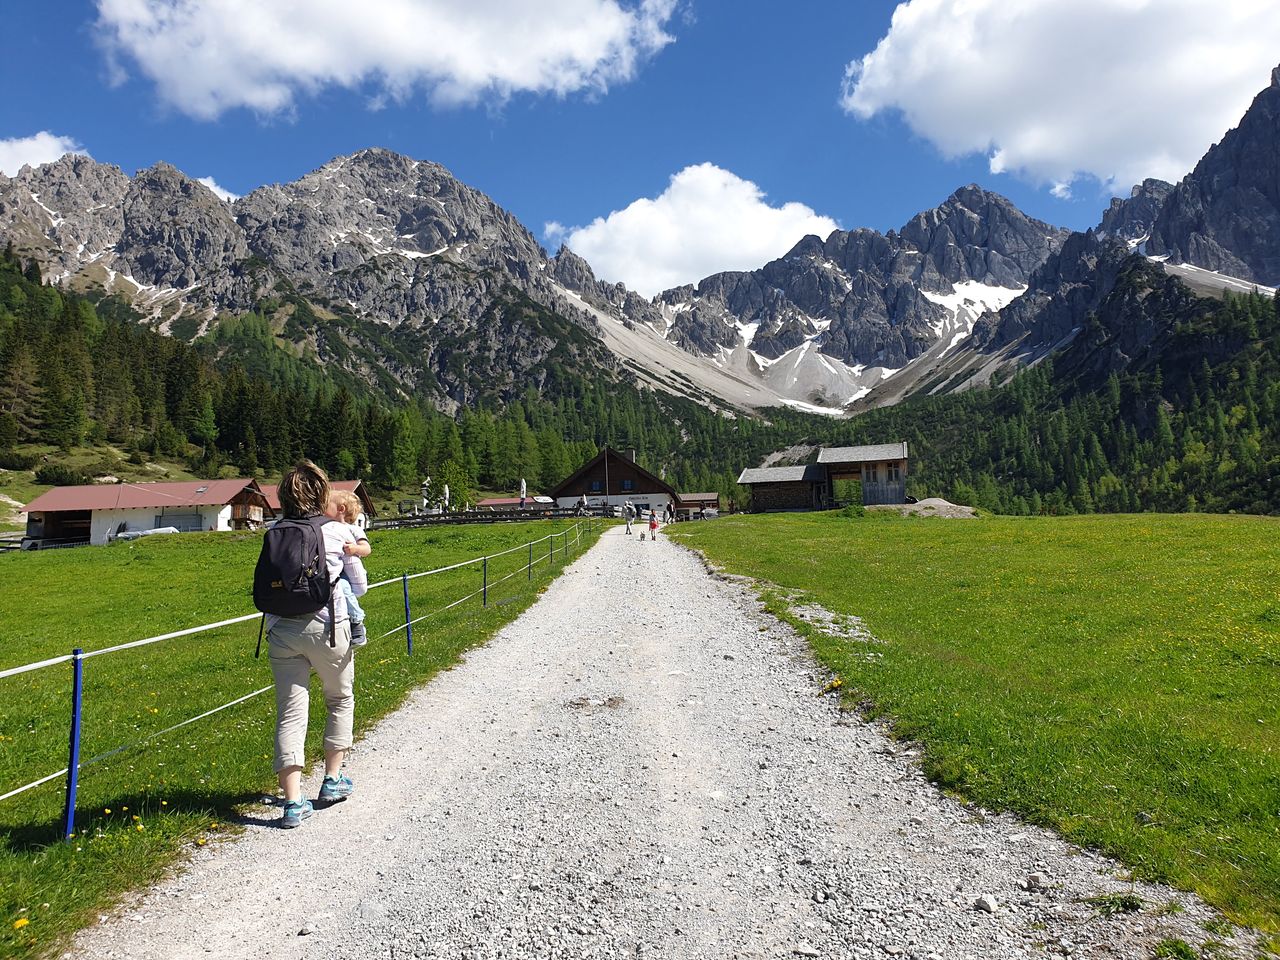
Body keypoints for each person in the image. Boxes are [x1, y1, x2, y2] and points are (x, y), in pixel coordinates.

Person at [267, 460, 367, 829]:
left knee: (290, 711)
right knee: (339, 698)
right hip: (328, 628)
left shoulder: (276, 530)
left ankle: (292, 803)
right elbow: (360, 587)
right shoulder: (338, 531)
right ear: (323, 494)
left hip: (280, 630)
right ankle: (331, 780)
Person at [326, 490, 371, 646]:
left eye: (327, 503)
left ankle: (356, 621)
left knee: (343, 587)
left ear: (341, 509)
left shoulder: (354, 529)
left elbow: (367, 549)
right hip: (333, 567)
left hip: (346, 572)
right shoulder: (326, 526)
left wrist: (355, 549)